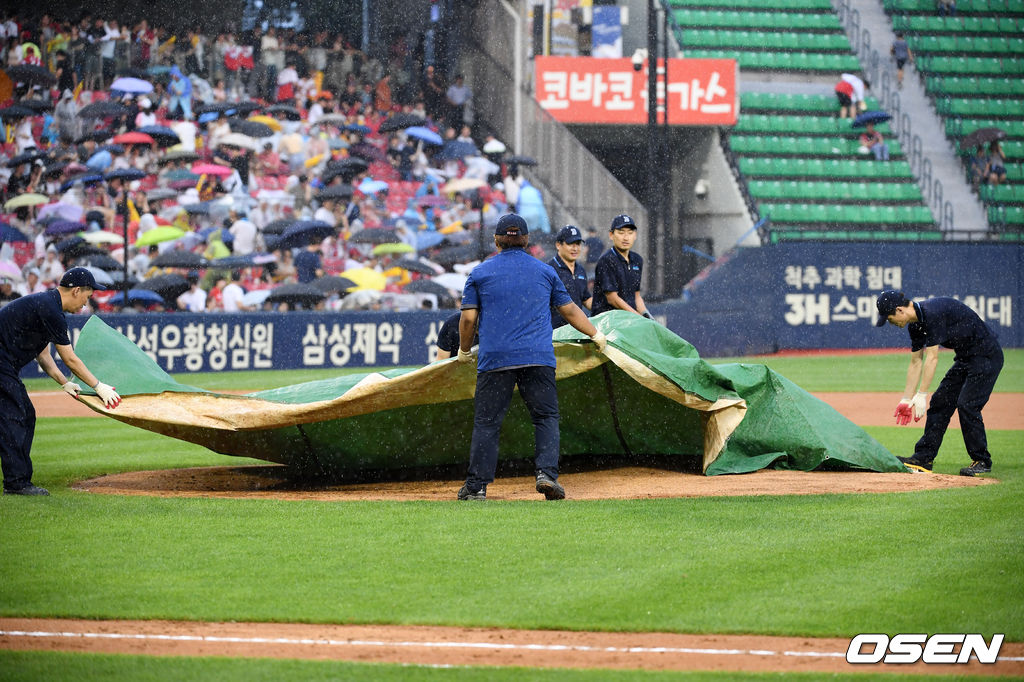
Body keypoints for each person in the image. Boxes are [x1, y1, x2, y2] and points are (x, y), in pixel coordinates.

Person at [456, 213, 606, 501]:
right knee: (545, 417)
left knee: (487, 423)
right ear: (526, 241)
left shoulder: (479, 273)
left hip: (496, 359)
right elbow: (570, 310)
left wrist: (464, 350)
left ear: (496, 241)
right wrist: (595, 334)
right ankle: (547, 475)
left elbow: (468, 319)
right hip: (537, 357)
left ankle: (476, 487)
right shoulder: (545, 272)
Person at [0, 268, 121, 496]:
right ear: (76, 291)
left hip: (6, 367)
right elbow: (70, 358)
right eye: (86, 297)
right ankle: (16, 483)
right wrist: (98, 386)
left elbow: (43, 355)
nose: (85, 304)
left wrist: (64, 383)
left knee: (25, 415)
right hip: (2, 365)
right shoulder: (51, 309)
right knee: (15, 417)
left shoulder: (48, 305)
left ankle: (18, 479)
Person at [876, 290, 1003, 477]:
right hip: (965, 358)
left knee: (967, 405)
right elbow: (916, 362)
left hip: (987, 356)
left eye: (889, 318)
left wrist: (922, 394)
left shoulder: (931, 314)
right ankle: (923, 458)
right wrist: (906, 399)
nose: (890, 323)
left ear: (899, 310)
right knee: (940, 402)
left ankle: (982, 460)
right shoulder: (915, 325)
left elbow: (932, 358)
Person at [591, 214, 651, 318]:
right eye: (621, 232)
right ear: (611, 235)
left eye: (630, 233)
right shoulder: (606, 260)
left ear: (635, 235)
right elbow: (612, 298)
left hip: (629, 320)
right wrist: (638, 317)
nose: (626, 237)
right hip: (608, 321)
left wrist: (647, 315)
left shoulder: (637, 260)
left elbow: (636, 296)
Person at [548, 225, 592, 329]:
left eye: (578, 244)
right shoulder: (550, 269)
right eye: (570, 244)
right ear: (558, 245)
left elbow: (585, 298)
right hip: (556, 331)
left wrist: (604, 309)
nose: (575, 248)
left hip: (577, 329)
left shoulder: (580, 269)